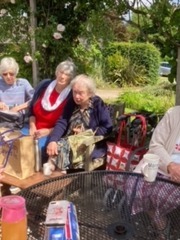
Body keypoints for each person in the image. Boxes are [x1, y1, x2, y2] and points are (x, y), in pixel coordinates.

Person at [124, 106, 180, 239]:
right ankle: (161, 223)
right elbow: (156, 145)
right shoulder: (174, 114)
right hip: (160, 163)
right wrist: (170, 165)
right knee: (133, 186)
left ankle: (162, 227)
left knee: (161, 195)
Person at [46, 74, 113, 169]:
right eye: (74, 92)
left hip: (89, 144)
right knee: (55, 147)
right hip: (69, 141)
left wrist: (86, 133)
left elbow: (107, 127)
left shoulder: (97, 104)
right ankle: (54, 177)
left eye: (81, 93)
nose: (76, 96)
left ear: (90, 93)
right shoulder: (71, 102)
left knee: (63, 154)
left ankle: (63, 178)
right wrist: (53, 140)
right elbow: (62, 122)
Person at [21, 59, 77, 161]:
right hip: (31, 127)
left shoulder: (71, 95)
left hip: (51, 133)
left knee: (36, 150)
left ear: (71, 78)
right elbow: (31, 109)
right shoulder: (44, 85)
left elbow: (66, 122)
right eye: (61, 72)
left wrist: (47, 131)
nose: (62, 76)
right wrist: (32, 126)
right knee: (14, 144)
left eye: (67, 74)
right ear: (57, 72)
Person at [0, 57, 34, 128]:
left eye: (11, 74)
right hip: (2, 119)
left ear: (16, 73)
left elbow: (35, 99)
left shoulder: (23, 83)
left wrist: (18, 108)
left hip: (19, 120)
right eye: (5, 74)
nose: (8, 77)